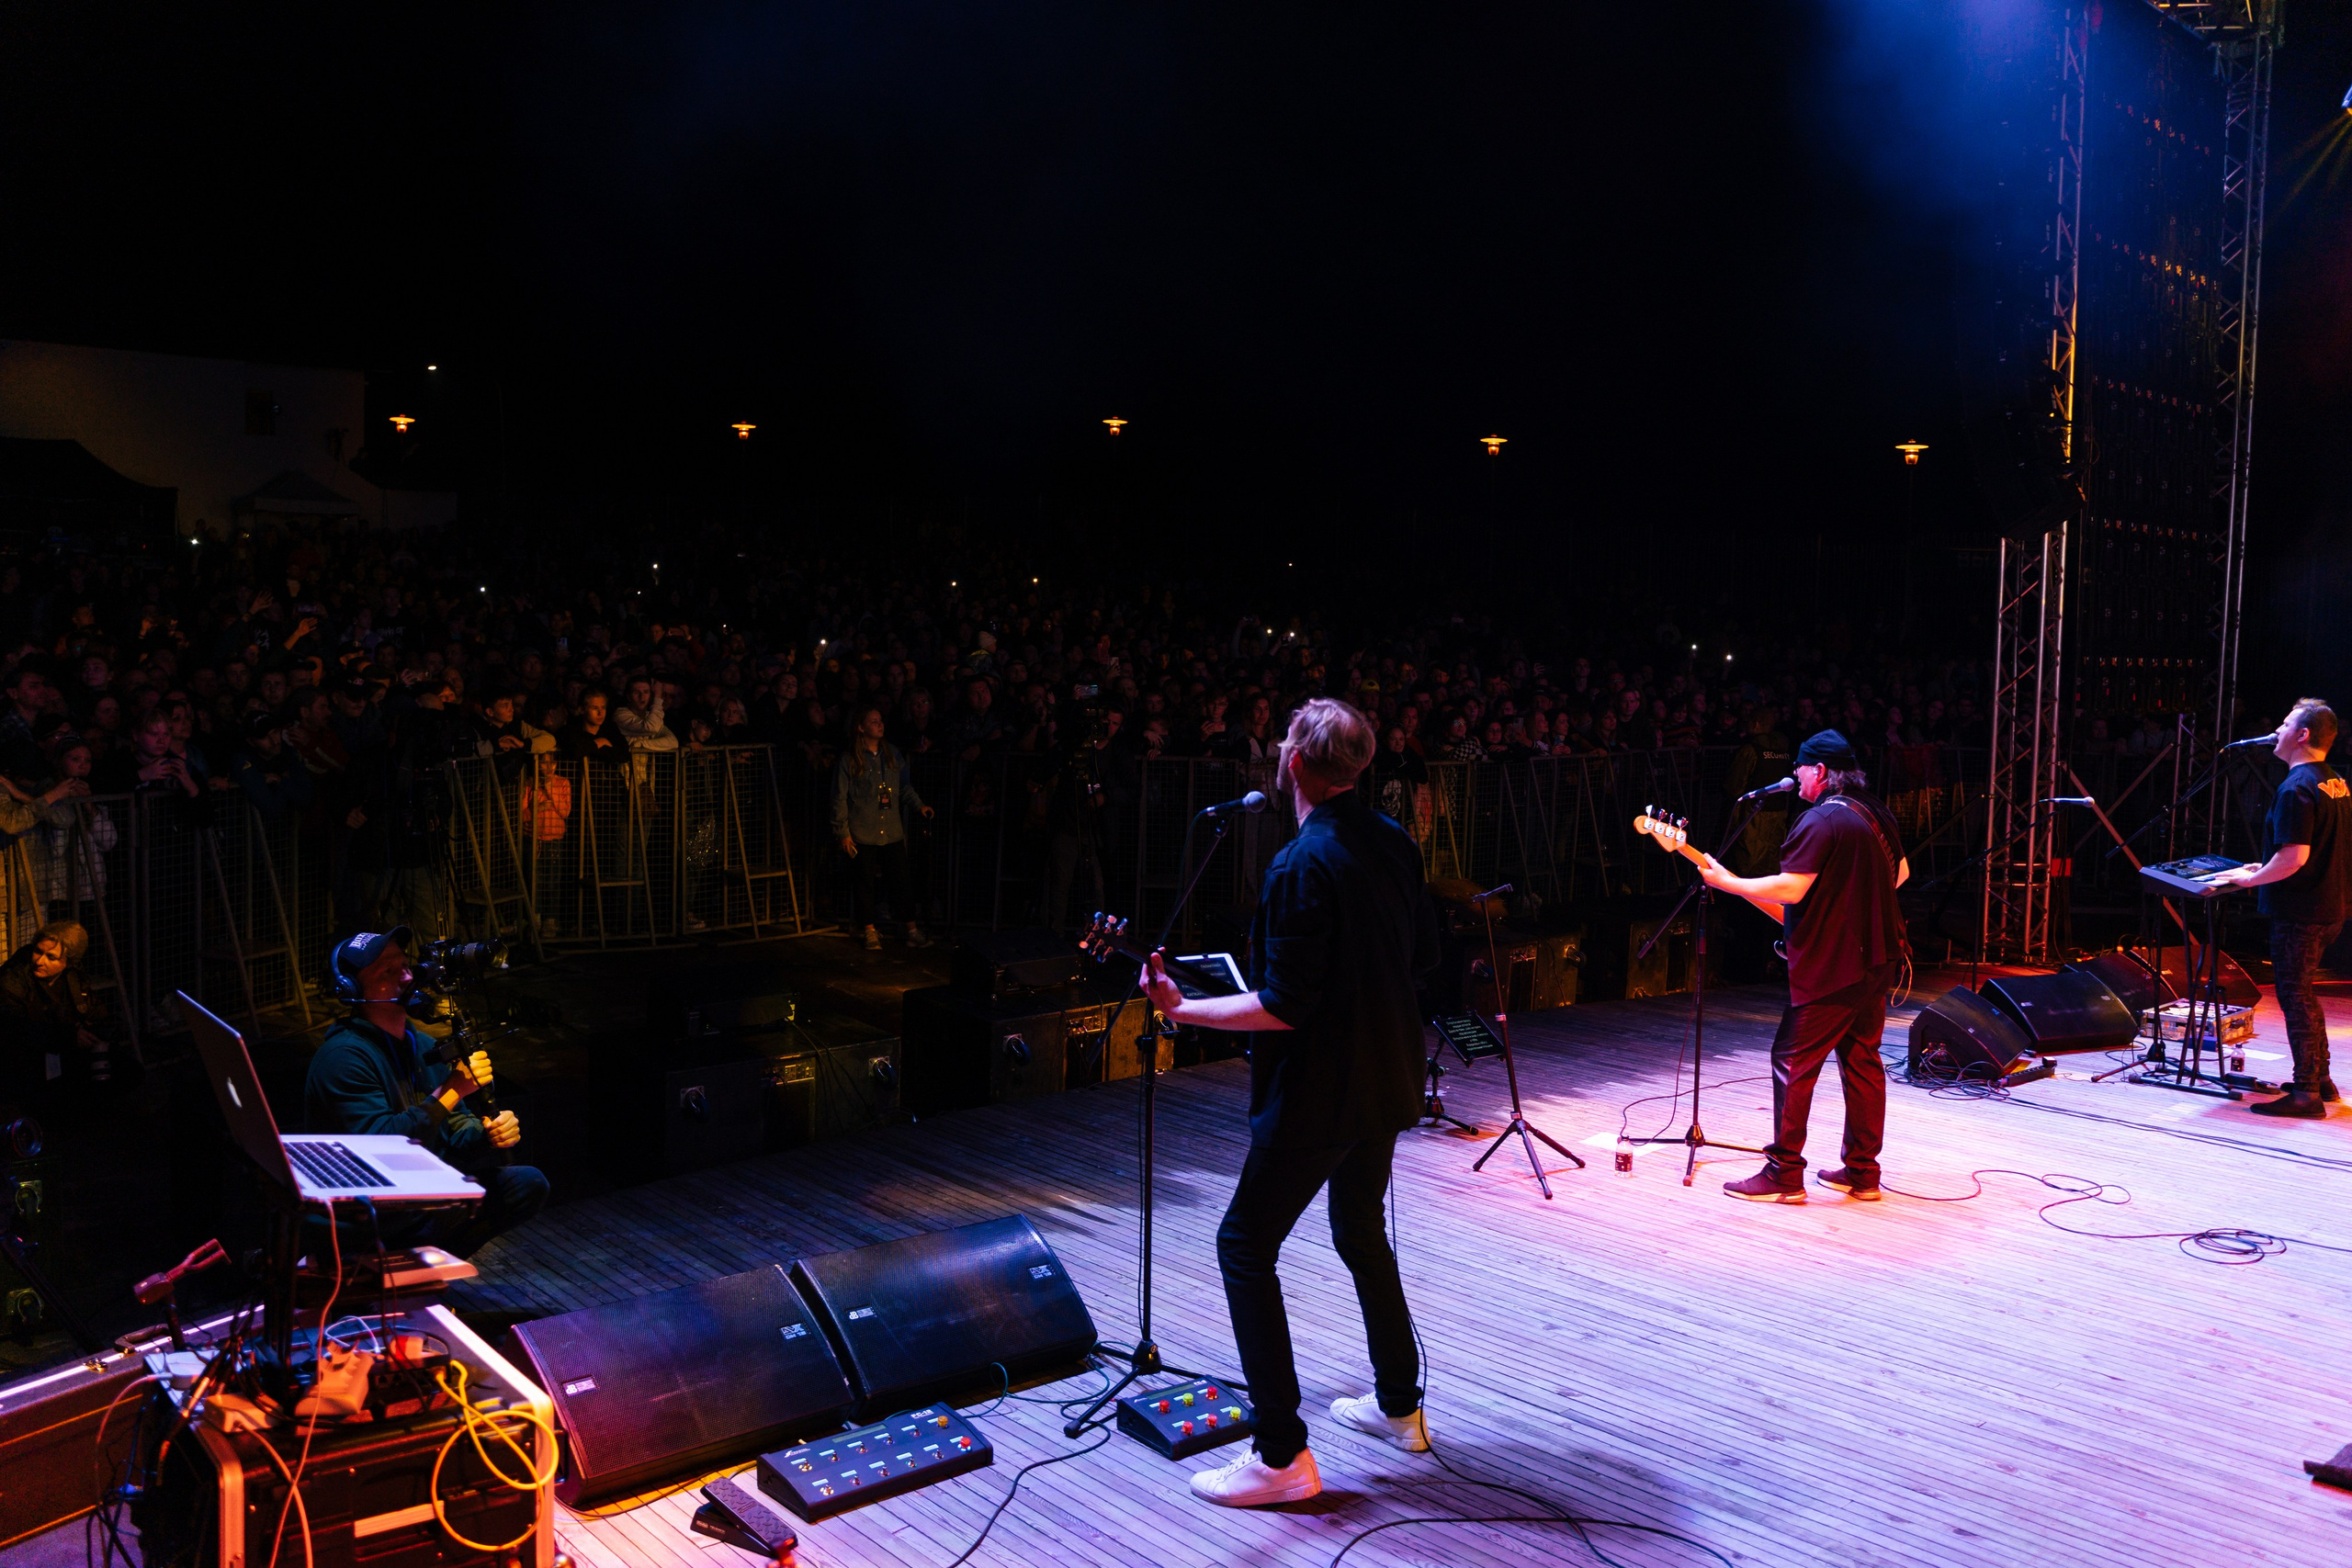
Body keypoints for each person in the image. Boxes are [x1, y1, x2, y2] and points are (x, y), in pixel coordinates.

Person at [1141, 698, 1438, 1509]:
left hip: (1321, 1090)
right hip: (1384, 1076)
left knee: (1243, 1245)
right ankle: (1399, 1405)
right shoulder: (1394, 843)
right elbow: (1407, 960)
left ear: (1297, 762)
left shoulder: (1302, 863)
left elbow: (1285, 1004)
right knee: (1357, 1229)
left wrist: (1184, 1010)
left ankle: (1281, 1455)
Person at [1696, 728, 1908, 1201]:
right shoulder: (1876, 811)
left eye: (1799, 767)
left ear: (1819, 771)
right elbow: (1902, 874)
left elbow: (1792, 890)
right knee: (1862, 1061)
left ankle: (1784, 1174)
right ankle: (1862, 1173)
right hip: (1878, 959)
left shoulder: (1820, 821)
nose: (1794, 775)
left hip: (1835, 969)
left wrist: (1730, 883)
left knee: (1792, 1059)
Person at [303, 929, 548, 1258]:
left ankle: (417, 1268)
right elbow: (383, 1148)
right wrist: (451, 1090)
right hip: (366, 1211)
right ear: (353, 990)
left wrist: (487, 1133)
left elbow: (455, 1124)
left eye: (405, 965)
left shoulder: (422, 1044)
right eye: (388, 972)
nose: (407, 977)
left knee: (526, 1183)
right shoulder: (343, 1057)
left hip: (415, 1195)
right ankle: (390, 1269)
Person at [2206, 698, 2352, 1117]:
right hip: (2329, 906)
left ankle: (2306, 1093)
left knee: (2295, 996)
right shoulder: (2333, 781)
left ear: (2302, 736)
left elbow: (2296, 858)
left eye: (2285, 724)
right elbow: (2308, 850)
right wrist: (2263, 866)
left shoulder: (2295, 787)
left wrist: (2250, 879)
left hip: (2302, 912)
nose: (2276, 732)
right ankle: (2319, 1080)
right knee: (2303, 994)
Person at [831, 705, 933, 951]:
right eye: (873, 720)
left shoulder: (893, 754)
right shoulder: (849, 759)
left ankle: (911, 930)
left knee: (901, 880)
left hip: (891, 831)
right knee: (864, 883)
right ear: (860, 727)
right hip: (862, 832)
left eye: (880, 720)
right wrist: (842, 832)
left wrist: (919, 805)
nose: (880, 724)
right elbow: (839, 798)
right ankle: (869, 930)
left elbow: (904, 786)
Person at [0, 921, 107, 1102]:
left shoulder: (72, 975)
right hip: (23, 1057)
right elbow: (17, 1028)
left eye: (51, 957)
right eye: (38, 951)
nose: (39, 961)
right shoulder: (13, 979)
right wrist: (70, 1035)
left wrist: (90, 1028)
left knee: (128, 1072)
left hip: (56, 1048)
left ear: (68, 962)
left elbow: (94, 1009)